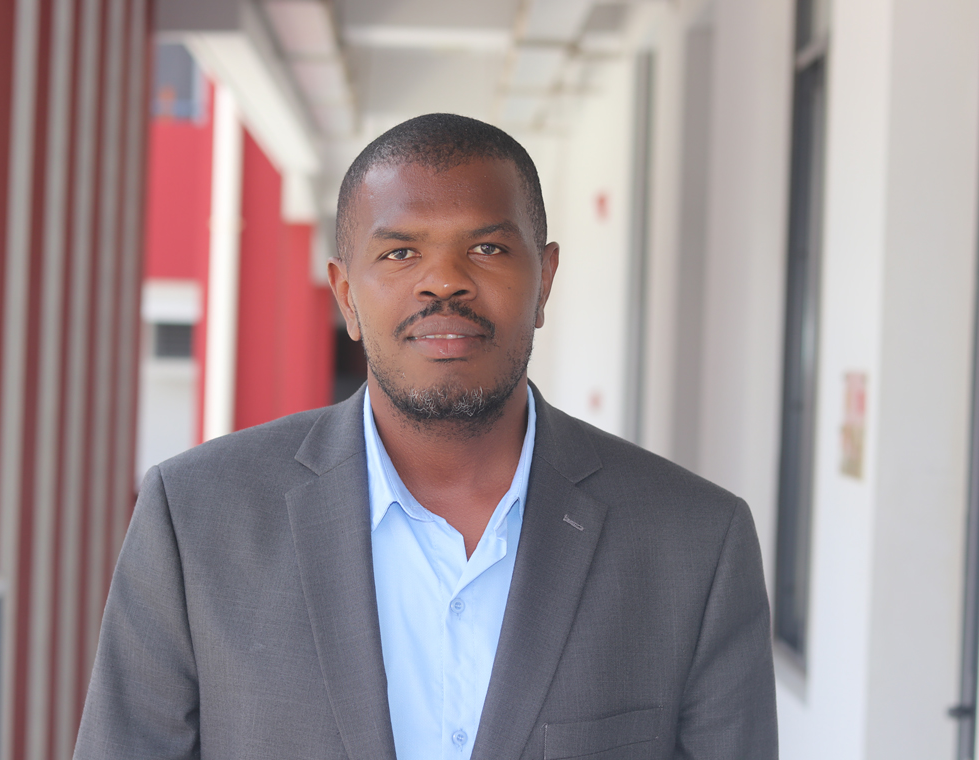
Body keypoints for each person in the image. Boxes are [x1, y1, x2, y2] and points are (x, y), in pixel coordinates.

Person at [74, 113, 778, 760]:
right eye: (401, 252)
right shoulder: (195, 518)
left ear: (544, 281)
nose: (444, 282)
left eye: (487, 247)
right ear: (346, 296)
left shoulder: (695, 544)